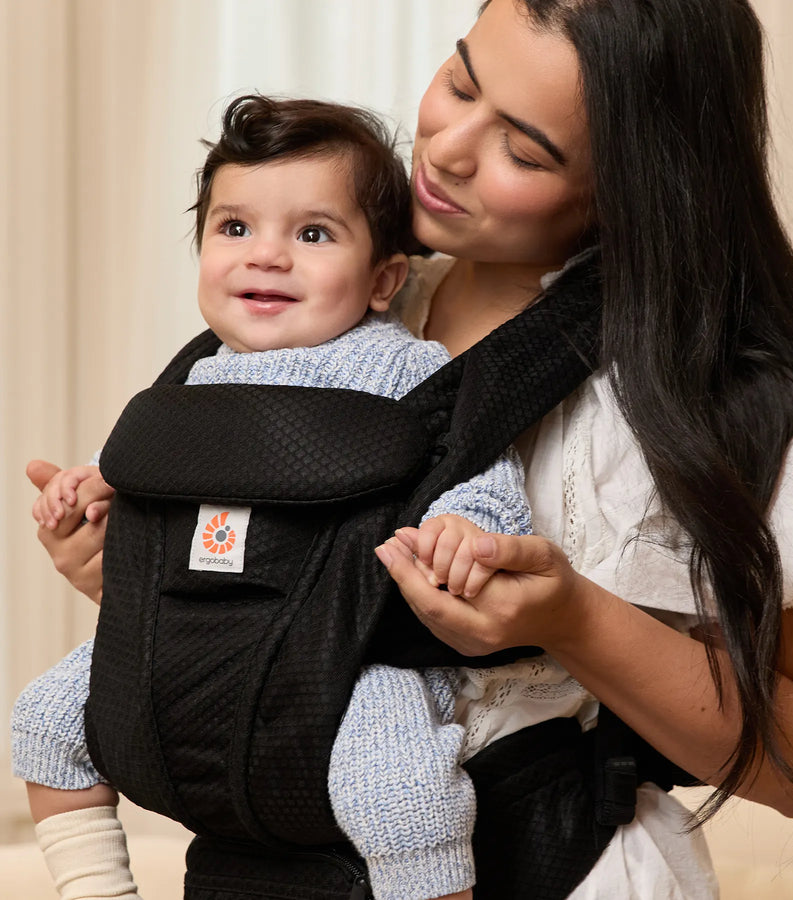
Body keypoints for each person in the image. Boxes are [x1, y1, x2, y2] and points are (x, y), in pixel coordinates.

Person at [25, 0, 793, 896]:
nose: (444, 149)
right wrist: (127, 567)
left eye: (524, 149)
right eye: (459, 81)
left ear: (633, 181)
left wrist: (570, 618)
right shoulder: (334, 306)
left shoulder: (713, 396)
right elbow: (289, 602)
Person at [13, 93, 539, 900]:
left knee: (398, 789)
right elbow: (148, 464)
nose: (266, 256)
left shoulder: (395, 367)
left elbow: (477, 468)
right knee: (46, 720)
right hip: (195, 639)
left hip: (349, 651)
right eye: (234, 229)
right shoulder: (196, 377)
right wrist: (92, 484)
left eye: (313, 234)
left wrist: (467, 526)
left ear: (383, 279)